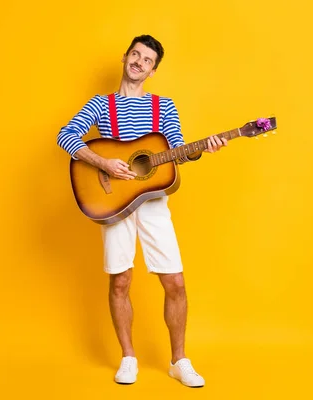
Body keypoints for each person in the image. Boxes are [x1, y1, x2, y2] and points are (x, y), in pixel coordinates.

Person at [56, 34, 227, 387]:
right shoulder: (101, 104)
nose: (138, 62)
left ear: (152, 70)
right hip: (113, 201)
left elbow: (177, 147)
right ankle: (128, 357)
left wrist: (201, 148)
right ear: (125, 58)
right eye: (135, 55)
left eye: (147, 60)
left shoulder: (164, 107)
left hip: (152, 203)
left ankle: (179, 361)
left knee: (175, 282)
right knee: (120, 280)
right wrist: (103, 161)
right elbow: (66, 135)